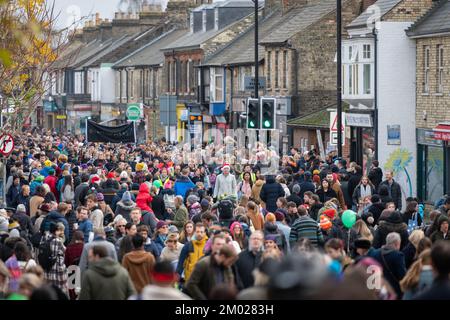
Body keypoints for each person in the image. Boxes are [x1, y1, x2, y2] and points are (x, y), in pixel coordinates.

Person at [369, 232, 407, 299]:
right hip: (393, 291)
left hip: (378, 290)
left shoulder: (374, 253)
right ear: (397, 244)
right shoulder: (398, 255)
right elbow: (402, 275)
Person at [40, 222, 68, 297]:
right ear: (56, 231)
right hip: (56, 266)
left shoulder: (44, 237)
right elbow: (64, 251)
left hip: (46, 265)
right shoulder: (57, 241)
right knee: (59, 289)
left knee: (48, 286)